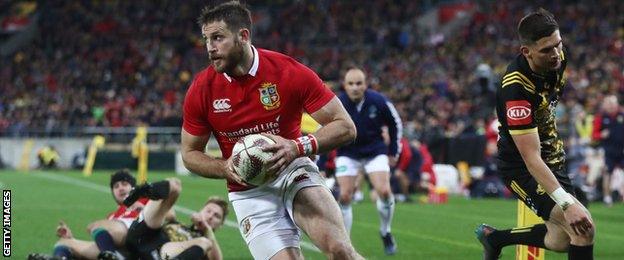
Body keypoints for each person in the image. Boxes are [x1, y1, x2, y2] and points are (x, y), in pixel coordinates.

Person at [180, 2, 362, 259]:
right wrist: (225, 167)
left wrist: (296, 146)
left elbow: (346, 126)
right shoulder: (201, 89)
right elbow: (189, 153)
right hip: (248, 191)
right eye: (206, 39)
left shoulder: (289, 72)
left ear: (243, 36)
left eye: (218, 37)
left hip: (293, 170)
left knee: (341, 251)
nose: (210, 47)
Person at [475, 9, 594, 260]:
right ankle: (494, 239)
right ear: (526, 52)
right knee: (583, 228)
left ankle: (495, 239)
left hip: (552, 158)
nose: (555, 54)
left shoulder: (559, 58)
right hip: (522, 167)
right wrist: (566, 203)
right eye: (546, 50)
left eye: (557, 45)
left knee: (560, 240)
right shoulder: (515, 88)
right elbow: (531, 158)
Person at [335, 67, 403, 255]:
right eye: (351, 84)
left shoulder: (378, 100)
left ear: (365, 84)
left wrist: (393, 151)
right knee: (345, 195)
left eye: (359, 83)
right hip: (348, 152)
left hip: (375, 151)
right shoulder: (337, 103)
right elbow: (326, 127)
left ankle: (385, 231)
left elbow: (395, 123)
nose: (355, 87)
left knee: (384, 191)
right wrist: (323, 161)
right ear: (345, 85)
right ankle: (346, 244)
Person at [28, 169, 148, 260]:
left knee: (94, 226)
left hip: (139, 243)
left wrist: (145, 209)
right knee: (64, 243)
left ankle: (110, 256)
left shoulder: (146, 200)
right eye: (116, 186)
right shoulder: (111, 217)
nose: (120, 188)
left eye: (124, 184)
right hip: (120, 252)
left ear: (133, 187)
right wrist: (70, 238)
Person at [123, 179, 226, 260]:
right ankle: (143, 190)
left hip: (161, 253)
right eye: (208, 211)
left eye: (217, 216)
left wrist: (207, 230)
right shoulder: (176, 222)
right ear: (200, 211)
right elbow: (162, 213)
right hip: (142, 237)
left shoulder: (205, 246)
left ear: (220, 224)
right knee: (175, 185)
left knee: (204, 242)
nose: (211, 216)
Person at [592, 95, 624, 206]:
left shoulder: (622, 115)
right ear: (604, 105)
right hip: (608, 150)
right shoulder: (600, 117)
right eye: (608, 103)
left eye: (612, 103)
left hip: (622, 150)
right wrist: (601, 135)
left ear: (617, 104)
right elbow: (594, 135)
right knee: (607, 173)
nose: (610, 105)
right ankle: (607, 197)